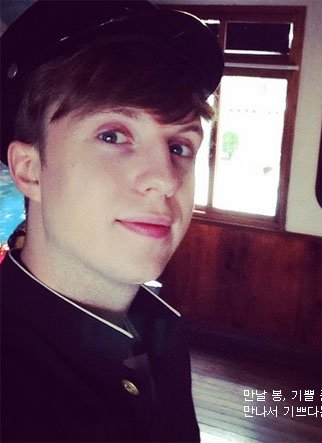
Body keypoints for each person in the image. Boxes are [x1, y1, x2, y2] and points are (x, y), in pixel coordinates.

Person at [0, 1, 223, 441]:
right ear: (30, 170)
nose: (165, 180)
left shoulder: (161, 335)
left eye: (179, 147)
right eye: (113, 135)